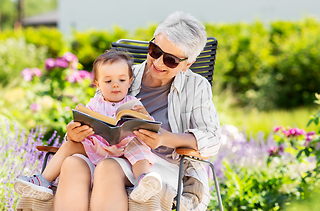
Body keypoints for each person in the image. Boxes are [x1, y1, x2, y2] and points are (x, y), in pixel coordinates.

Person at [54, 11, 221, 211]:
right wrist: (74, 135)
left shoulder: (196, 86)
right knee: (72, 165)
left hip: (160, 166)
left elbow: (212, 138)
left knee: (109, 168)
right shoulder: (122, 75)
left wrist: (166, 139)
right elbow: (93, 113)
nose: (158, 63)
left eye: (171, 60)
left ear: (187, 64)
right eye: (155, 51)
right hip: (107, 153)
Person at [14, 50, 162, 203]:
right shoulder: (94, 103)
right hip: (98, 146)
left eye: (122, 80)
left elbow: (148, 125)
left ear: (130, 81)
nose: (116, 85)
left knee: (139, 147)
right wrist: (78, 125)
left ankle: (143, 181)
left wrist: (143, 116)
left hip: (124, 151)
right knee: (71, 144)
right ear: (98, 84)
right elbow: (83, 122)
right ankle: (43, 180)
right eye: (108, 81)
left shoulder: (134, 104)